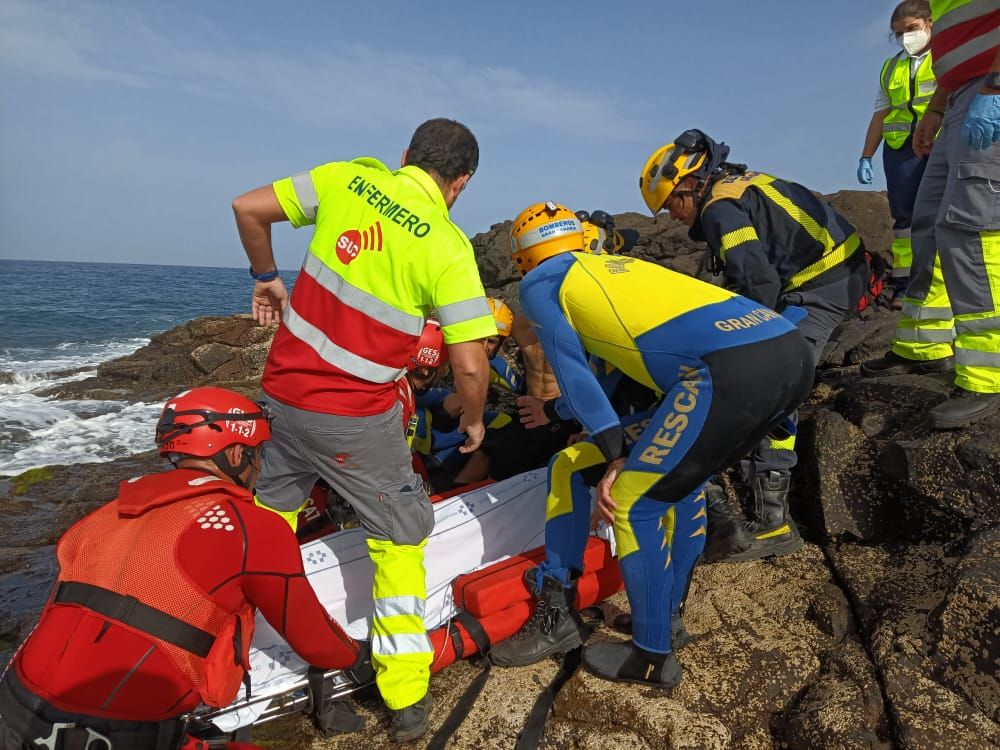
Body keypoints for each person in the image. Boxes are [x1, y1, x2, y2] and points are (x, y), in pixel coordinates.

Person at [231, 118, 497, 742]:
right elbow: (469, 361)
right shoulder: (447, 245)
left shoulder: (347, 178)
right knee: (402, 534)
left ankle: (235, 646)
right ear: (460, 184)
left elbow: (247, 208)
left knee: (266, 524)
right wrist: (477, 416)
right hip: (356, 420)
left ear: (405, 156)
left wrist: (266, 277)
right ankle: (404, 696)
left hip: (281, 397)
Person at [488, 202, 813, 685]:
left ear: (523, 259)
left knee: (628, 499)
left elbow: (577, 375)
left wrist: (616, 452)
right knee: (680, 488)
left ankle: (647, 655)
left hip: (723, 375)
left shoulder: (542, 283)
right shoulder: (621, 268)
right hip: (786, 348)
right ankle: (667, 617)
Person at [0, 387, 369, 750]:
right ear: (239, 454)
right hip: (112, 733)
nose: (259, 466)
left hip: (14, 705)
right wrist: (357, 657)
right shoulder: (248, 526)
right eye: (259, 455)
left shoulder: (99, 518)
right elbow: (314, 639)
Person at [638, 130, 872, 563]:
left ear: (690, 184)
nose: (671, 215)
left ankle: (775, 524)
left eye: (671, 203)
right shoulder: (737, 184)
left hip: (822, 286)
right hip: (835, 270)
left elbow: (760, 283)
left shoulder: (719, 209)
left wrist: (746, 345)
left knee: (771, 385)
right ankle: (761, 498)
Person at [861, 1, 1000, 429]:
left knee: (971, 228)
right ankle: (925, 347)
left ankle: (986, 375)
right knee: (927, 225)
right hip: (959, 96)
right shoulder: (895, 65)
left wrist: (994, 86)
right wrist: (939, 106)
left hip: (988, 91)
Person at [857, 1, 937, 302]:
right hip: (899, 149)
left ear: (929, 23)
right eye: (899, 33)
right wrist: (866, 155)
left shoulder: (944, 57)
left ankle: (941, 278)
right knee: (904, 217)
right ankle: (906, 283)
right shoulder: (892, 67)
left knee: (944, 212)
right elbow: (880, 114)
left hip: (939, 143)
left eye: (912, 29)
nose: (906, 37)